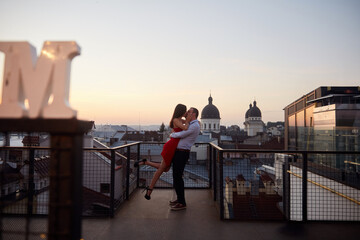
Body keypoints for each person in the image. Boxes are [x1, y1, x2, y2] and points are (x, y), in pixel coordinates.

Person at [134, 104, 190, 200]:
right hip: (171, 147)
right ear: (181, 111)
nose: (186, 112)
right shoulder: (176, 120)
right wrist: (188, 120)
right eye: (185, 110)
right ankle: (149, 190)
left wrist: (189, 119)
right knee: (161, 170)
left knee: (165, 168)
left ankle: (145, 162)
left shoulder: (180, 120)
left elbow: (188, 124)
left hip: (173, 146)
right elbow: (185, 128)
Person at [168, 107, 200, 211]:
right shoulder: (192, 124)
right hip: (179, 153)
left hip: (182, 153)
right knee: (176, 176)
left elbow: (182, 134)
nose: (187, 113)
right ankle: (179, 199)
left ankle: (182, 203)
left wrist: (172, 134)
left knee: (178, 177)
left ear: (194, 114)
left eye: (189, 112)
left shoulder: (194, 125)